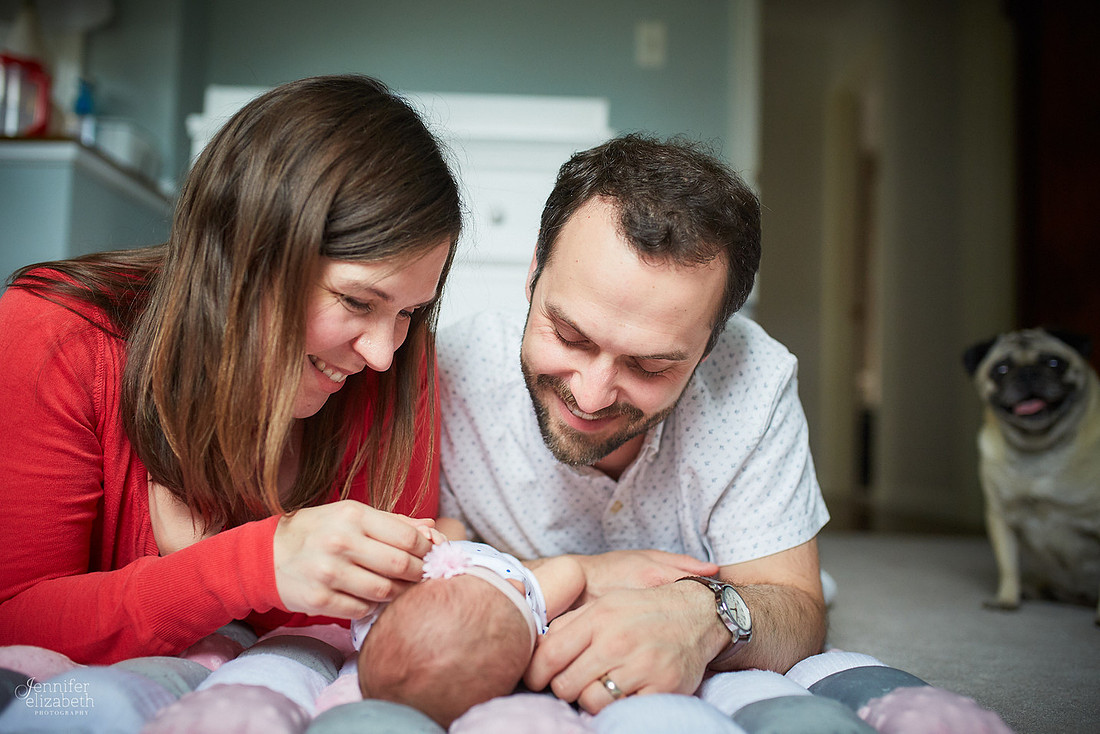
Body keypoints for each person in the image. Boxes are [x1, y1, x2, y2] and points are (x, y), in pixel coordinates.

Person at [0, 74, 464, 665]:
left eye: (410, 312)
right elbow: (14, 619)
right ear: (245, 260)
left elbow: (377, 606)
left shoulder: (401, 367)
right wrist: (245, 566)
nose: (380, 354)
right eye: (355, 302)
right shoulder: (54, 333)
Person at [437, 133, 831, 714]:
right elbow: (413, 579)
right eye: (570, 337)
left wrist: (705, 613)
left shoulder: (755, 379)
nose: (590, 396)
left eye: (649, 366)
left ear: (710, 346)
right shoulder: (447, 374)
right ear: (532, 276)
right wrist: (572, 577)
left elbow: (798, 606)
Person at [355, 540, 585, 728]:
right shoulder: (529, 612)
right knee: (563, 575)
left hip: (441, 553)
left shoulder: (374, 622)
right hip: (480, 565)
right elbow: (571, 570)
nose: (518, 585)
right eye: (518, 597)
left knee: (446, 527)